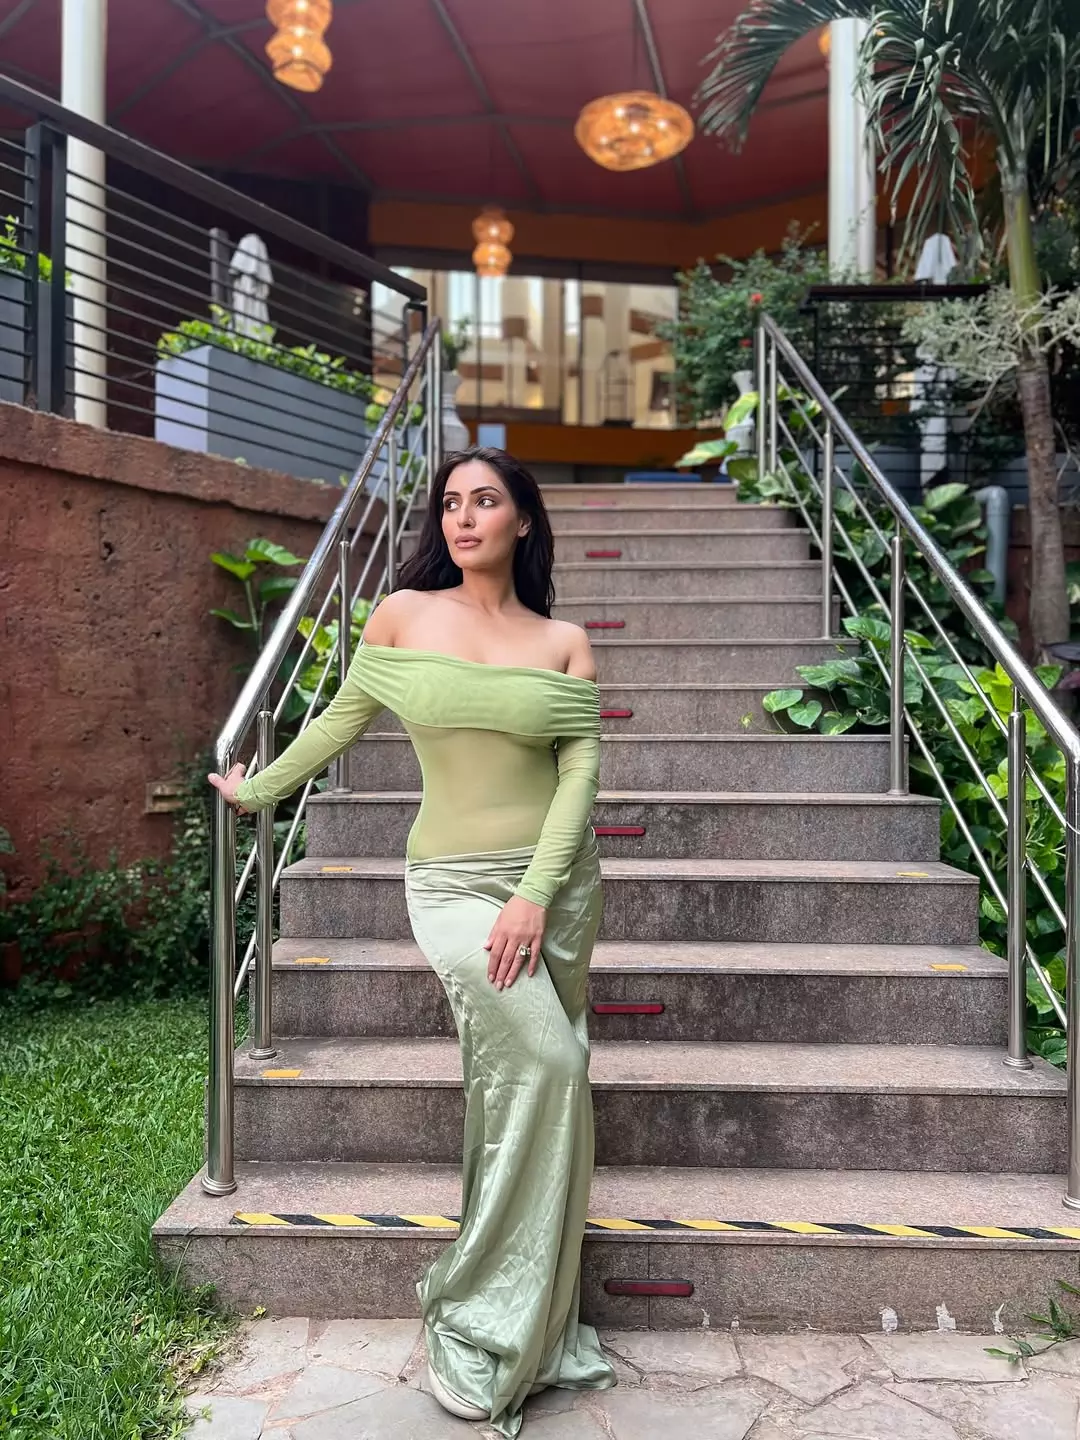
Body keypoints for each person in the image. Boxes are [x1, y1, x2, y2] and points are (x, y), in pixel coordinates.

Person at [209, 446, 617, 1436]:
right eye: (450, 503)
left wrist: (535, 894)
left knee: (526, 1079)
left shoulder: (564, 640)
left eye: (485, 501)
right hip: (450, 884)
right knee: (551, 1065)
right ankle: (482, 1307)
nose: (463, 518)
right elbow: (340, 721)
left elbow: (578, 775)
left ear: (523, 519)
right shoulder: (401, 614)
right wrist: (259, 789)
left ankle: (536, 1314)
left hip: (554, 888)